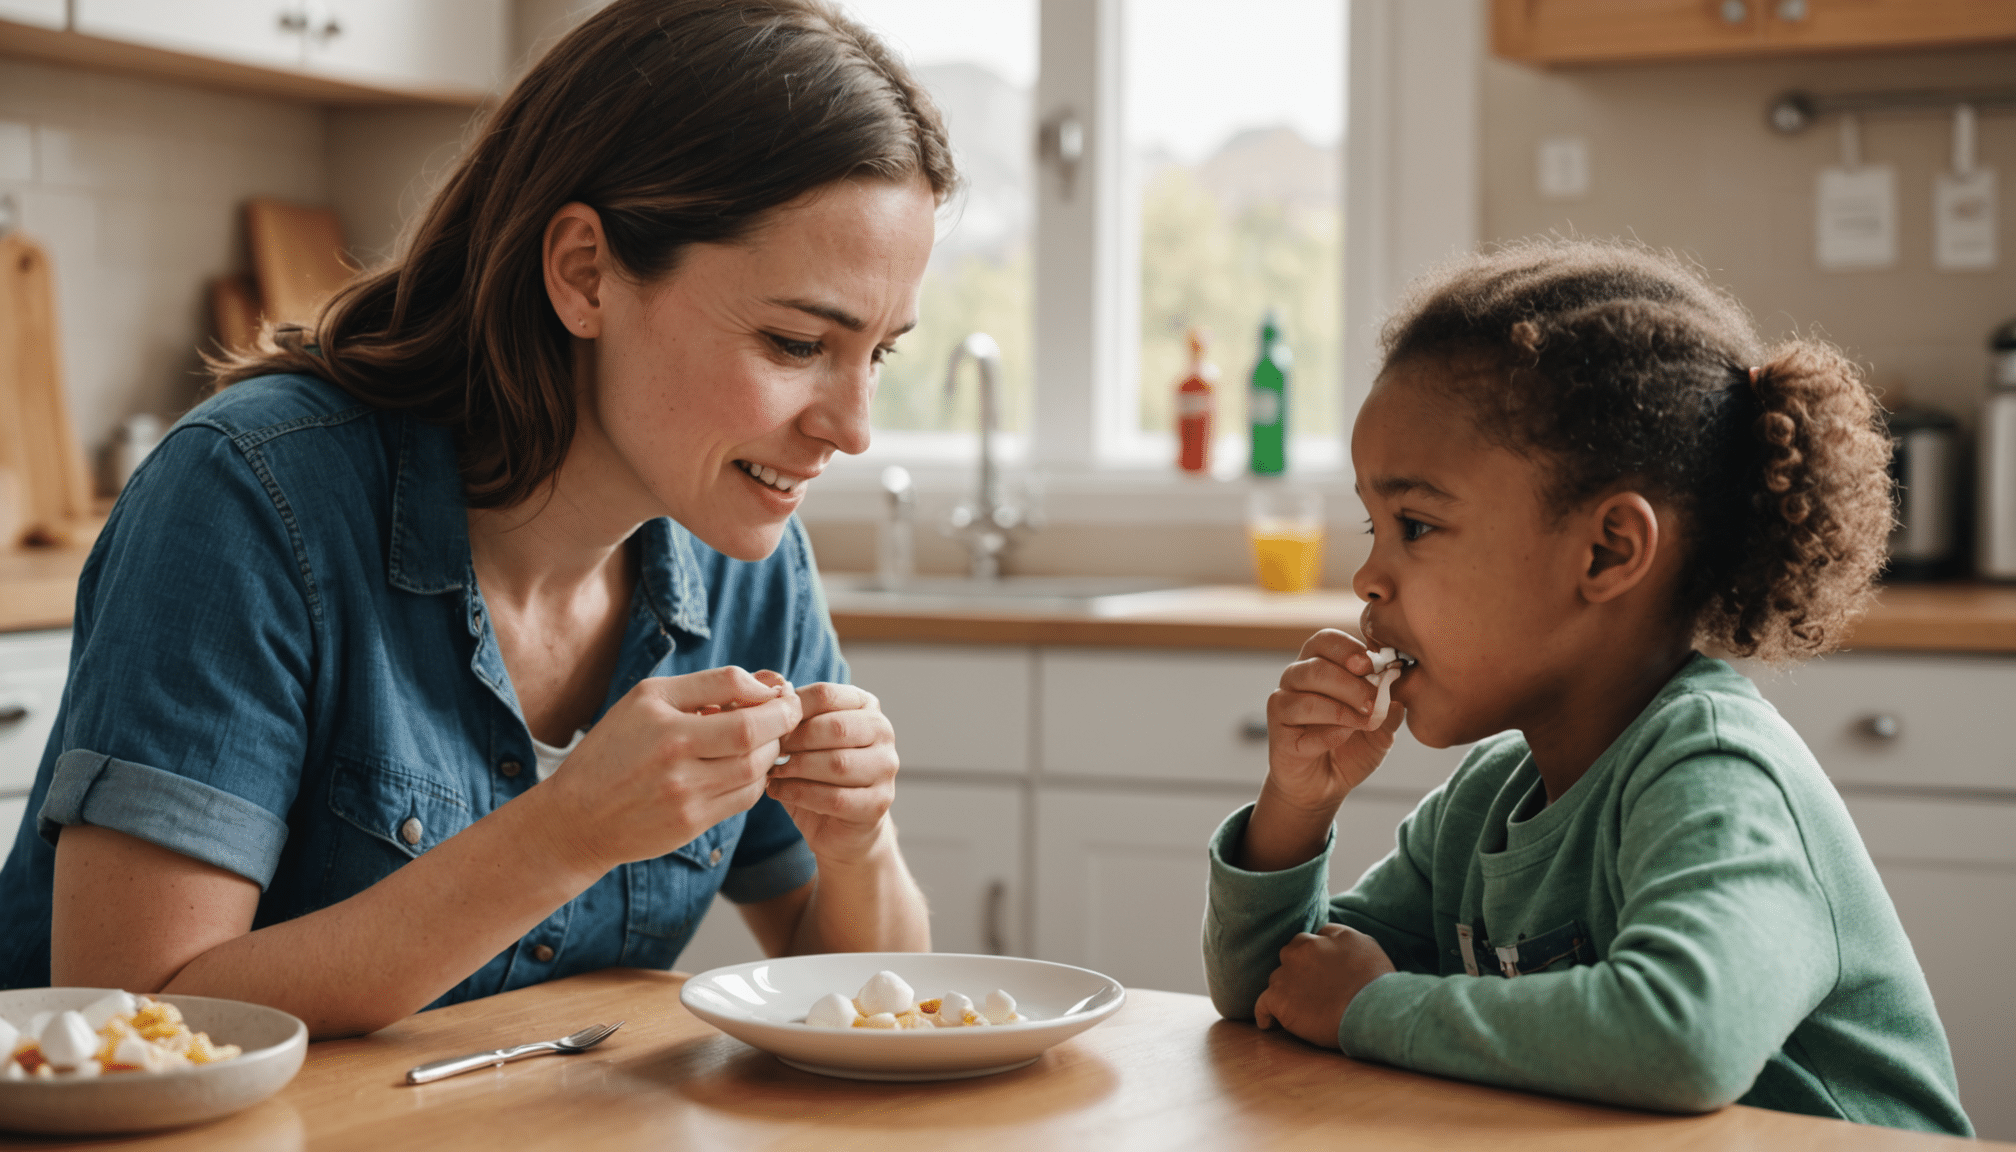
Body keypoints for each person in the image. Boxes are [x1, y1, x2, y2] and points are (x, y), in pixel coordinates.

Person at [0, 0, 954, 1038]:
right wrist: (563, 835)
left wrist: (863, 844)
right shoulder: (251, 496)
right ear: (585, 272)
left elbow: (861, 1003)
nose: (853, 429)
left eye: (881, 354)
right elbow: (133, 1010)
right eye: (794, 342)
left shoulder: (745, 553)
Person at [1202, 239, 1972, 1136]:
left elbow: (1682, 1040)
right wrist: (1293, 811)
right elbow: (1280, 991)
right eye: (1372, 525)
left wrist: (1376, 1009)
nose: (1368, 578)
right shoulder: (1484, 805)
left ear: (1608, 551)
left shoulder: (1715, 772)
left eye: (1415, 525)